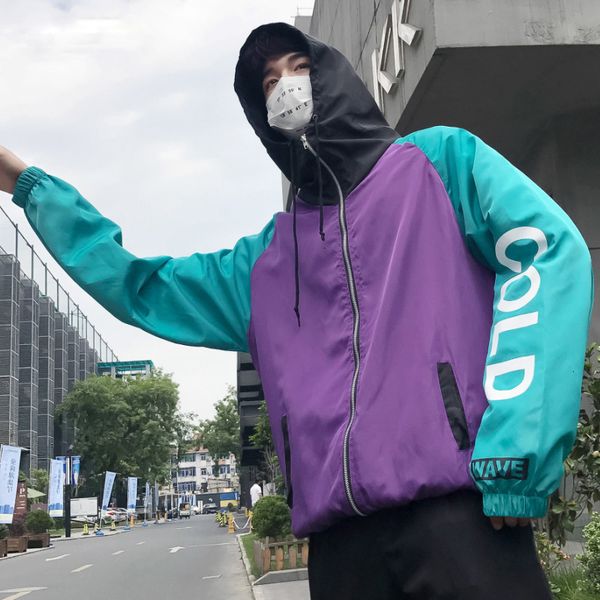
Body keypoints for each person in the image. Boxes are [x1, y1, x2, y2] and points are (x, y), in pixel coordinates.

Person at [0, 22, 593, 599]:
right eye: (268, 83)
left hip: (461, 523)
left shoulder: (440, 163)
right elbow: (141, 285)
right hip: (341, 550)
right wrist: (31, 188)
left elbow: (545, 252)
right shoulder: (264, 261)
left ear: (332, 77)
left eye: (299, 67)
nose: (286, 86)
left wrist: (516, 452)